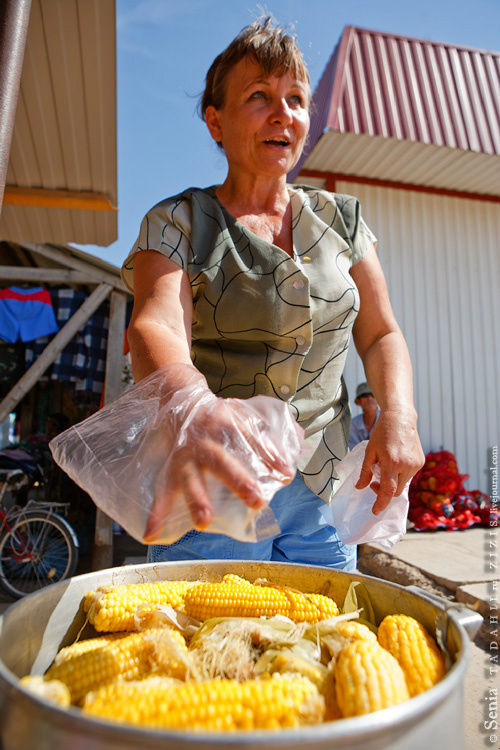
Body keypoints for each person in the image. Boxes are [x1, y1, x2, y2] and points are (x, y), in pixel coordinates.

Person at [122, 18, 424, 570]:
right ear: (216, 121)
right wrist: (195, 411)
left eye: (295, 98)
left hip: (320, 488)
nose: (283, 112)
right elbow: (157, 326)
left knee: (321, 644)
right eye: (259, 96)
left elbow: (381, 333)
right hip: (214, 486)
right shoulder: (177, 222)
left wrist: (398, 413)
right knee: (211, 645)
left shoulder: (344, 221)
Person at [348, 383, 380, 450]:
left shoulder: (387, 421)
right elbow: (353, 451)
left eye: (373, 395)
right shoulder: (353, 424)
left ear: (379, 399)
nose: (369, 398)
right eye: (365, 395)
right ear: (358, 401)